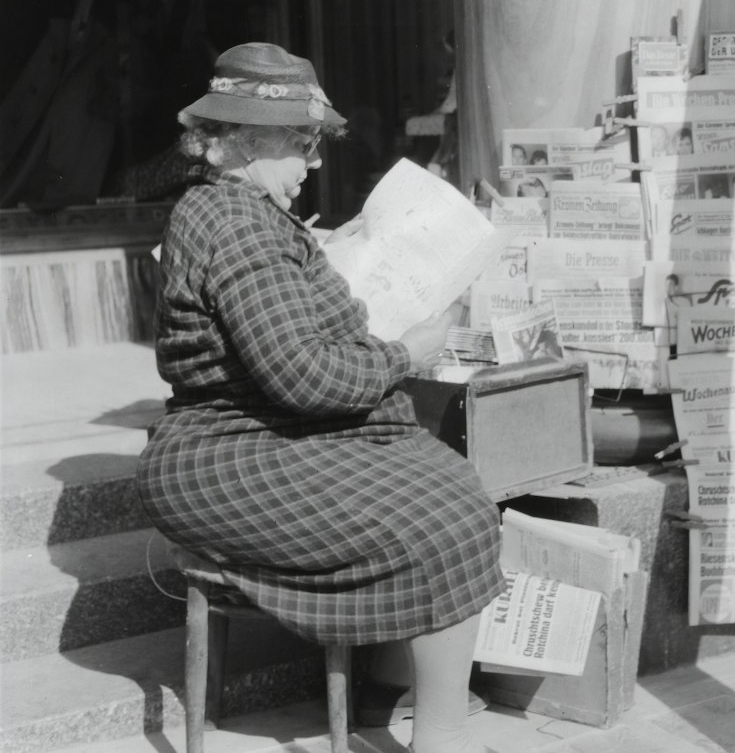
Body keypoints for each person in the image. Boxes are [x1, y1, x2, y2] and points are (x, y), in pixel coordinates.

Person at [136, 43, 504, 753]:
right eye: (302, 144)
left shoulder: (243, 214)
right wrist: (408, 353)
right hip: (223, 456)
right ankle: (442, 733)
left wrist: (323, 258)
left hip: (260, 433)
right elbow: (302, 378)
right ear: (240, 141)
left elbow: (274, 331)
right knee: (447, 516)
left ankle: (389, 685)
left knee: (446, 487)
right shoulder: (234, 223)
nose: (315, 161)